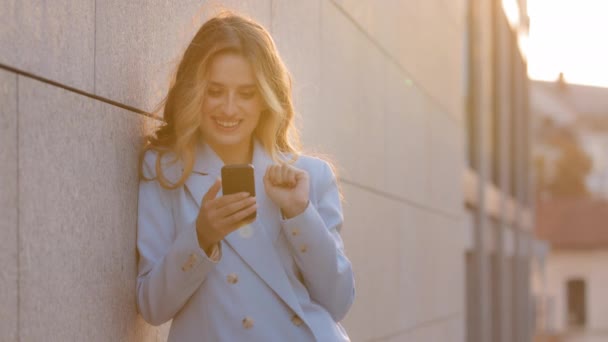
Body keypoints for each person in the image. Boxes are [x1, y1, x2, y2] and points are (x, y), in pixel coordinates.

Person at [135, 11, 355, 342]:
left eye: (246, 93)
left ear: (266, 99)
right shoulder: (166, 173)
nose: (229, 108)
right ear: (195, 91)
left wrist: (299, 215)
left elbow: (338, 301)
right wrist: (201, 236)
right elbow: (151, 306)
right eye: (215, 90)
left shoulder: (309, 176)